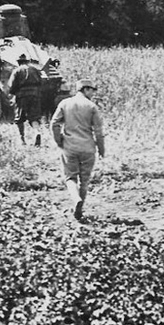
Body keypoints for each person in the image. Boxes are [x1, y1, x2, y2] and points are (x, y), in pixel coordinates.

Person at [50, 79, 106, 221]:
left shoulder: (65, 103)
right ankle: (79, 210)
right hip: (88, 148)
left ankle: (75, 199)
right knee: (85, 180)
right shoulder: (92, 107)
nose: (93, 93)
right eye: (92, 90)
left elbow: (54, 124)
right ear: (86, 90)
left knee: (70, 177)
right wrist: (101, 149)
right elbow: (98, 132)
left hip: (69, 147)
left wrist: (59, 141)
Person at [8, 53, 44, 146]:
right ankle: (37, 132)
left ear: (19, 62)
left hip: (22, 96)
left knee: (19, 118)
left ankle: (22, 140)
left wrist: (12, 94)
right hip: (35, 95)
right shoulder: (35, 70)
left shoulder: (17, 71)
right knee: (34, 117)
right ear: (27, 61)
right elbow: (41, 82)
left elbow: (11, 86)